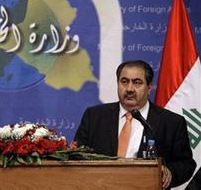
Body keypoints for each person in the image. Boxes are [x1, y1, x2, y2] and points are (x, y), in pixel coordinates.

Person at [74, 60, 196, 189]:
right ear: (118, 84)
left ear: (149, 88)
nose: (129, 89)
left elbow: (186, 163)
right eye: (124, 82)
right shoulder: (94, 116)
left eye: (137, 83)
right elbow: (76, 156)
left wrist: (170, 172)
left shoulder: (171, 122)